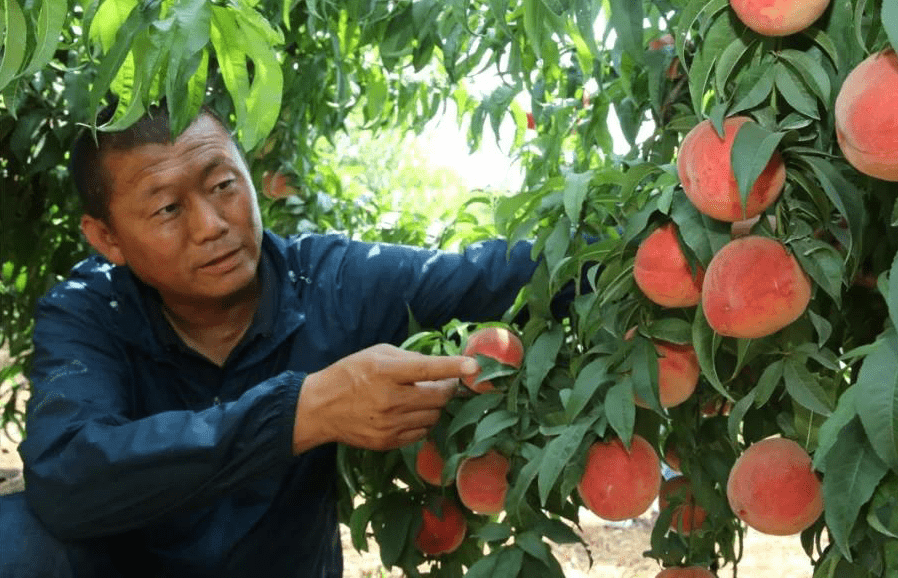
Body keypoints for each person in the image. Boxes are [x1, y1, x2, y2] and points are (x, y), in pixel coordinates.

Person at [0, 104, 545, 578]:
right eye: (167, 208)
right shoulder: (90, 310)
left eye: (222, 185)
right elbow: (68, 476)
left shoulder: (332, 284)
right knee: (17, 538)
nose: (212, 225)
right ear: (107, 238)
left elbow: (495, 275)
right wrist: (302, 413)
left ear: (249, 174)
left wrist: (616, 253)